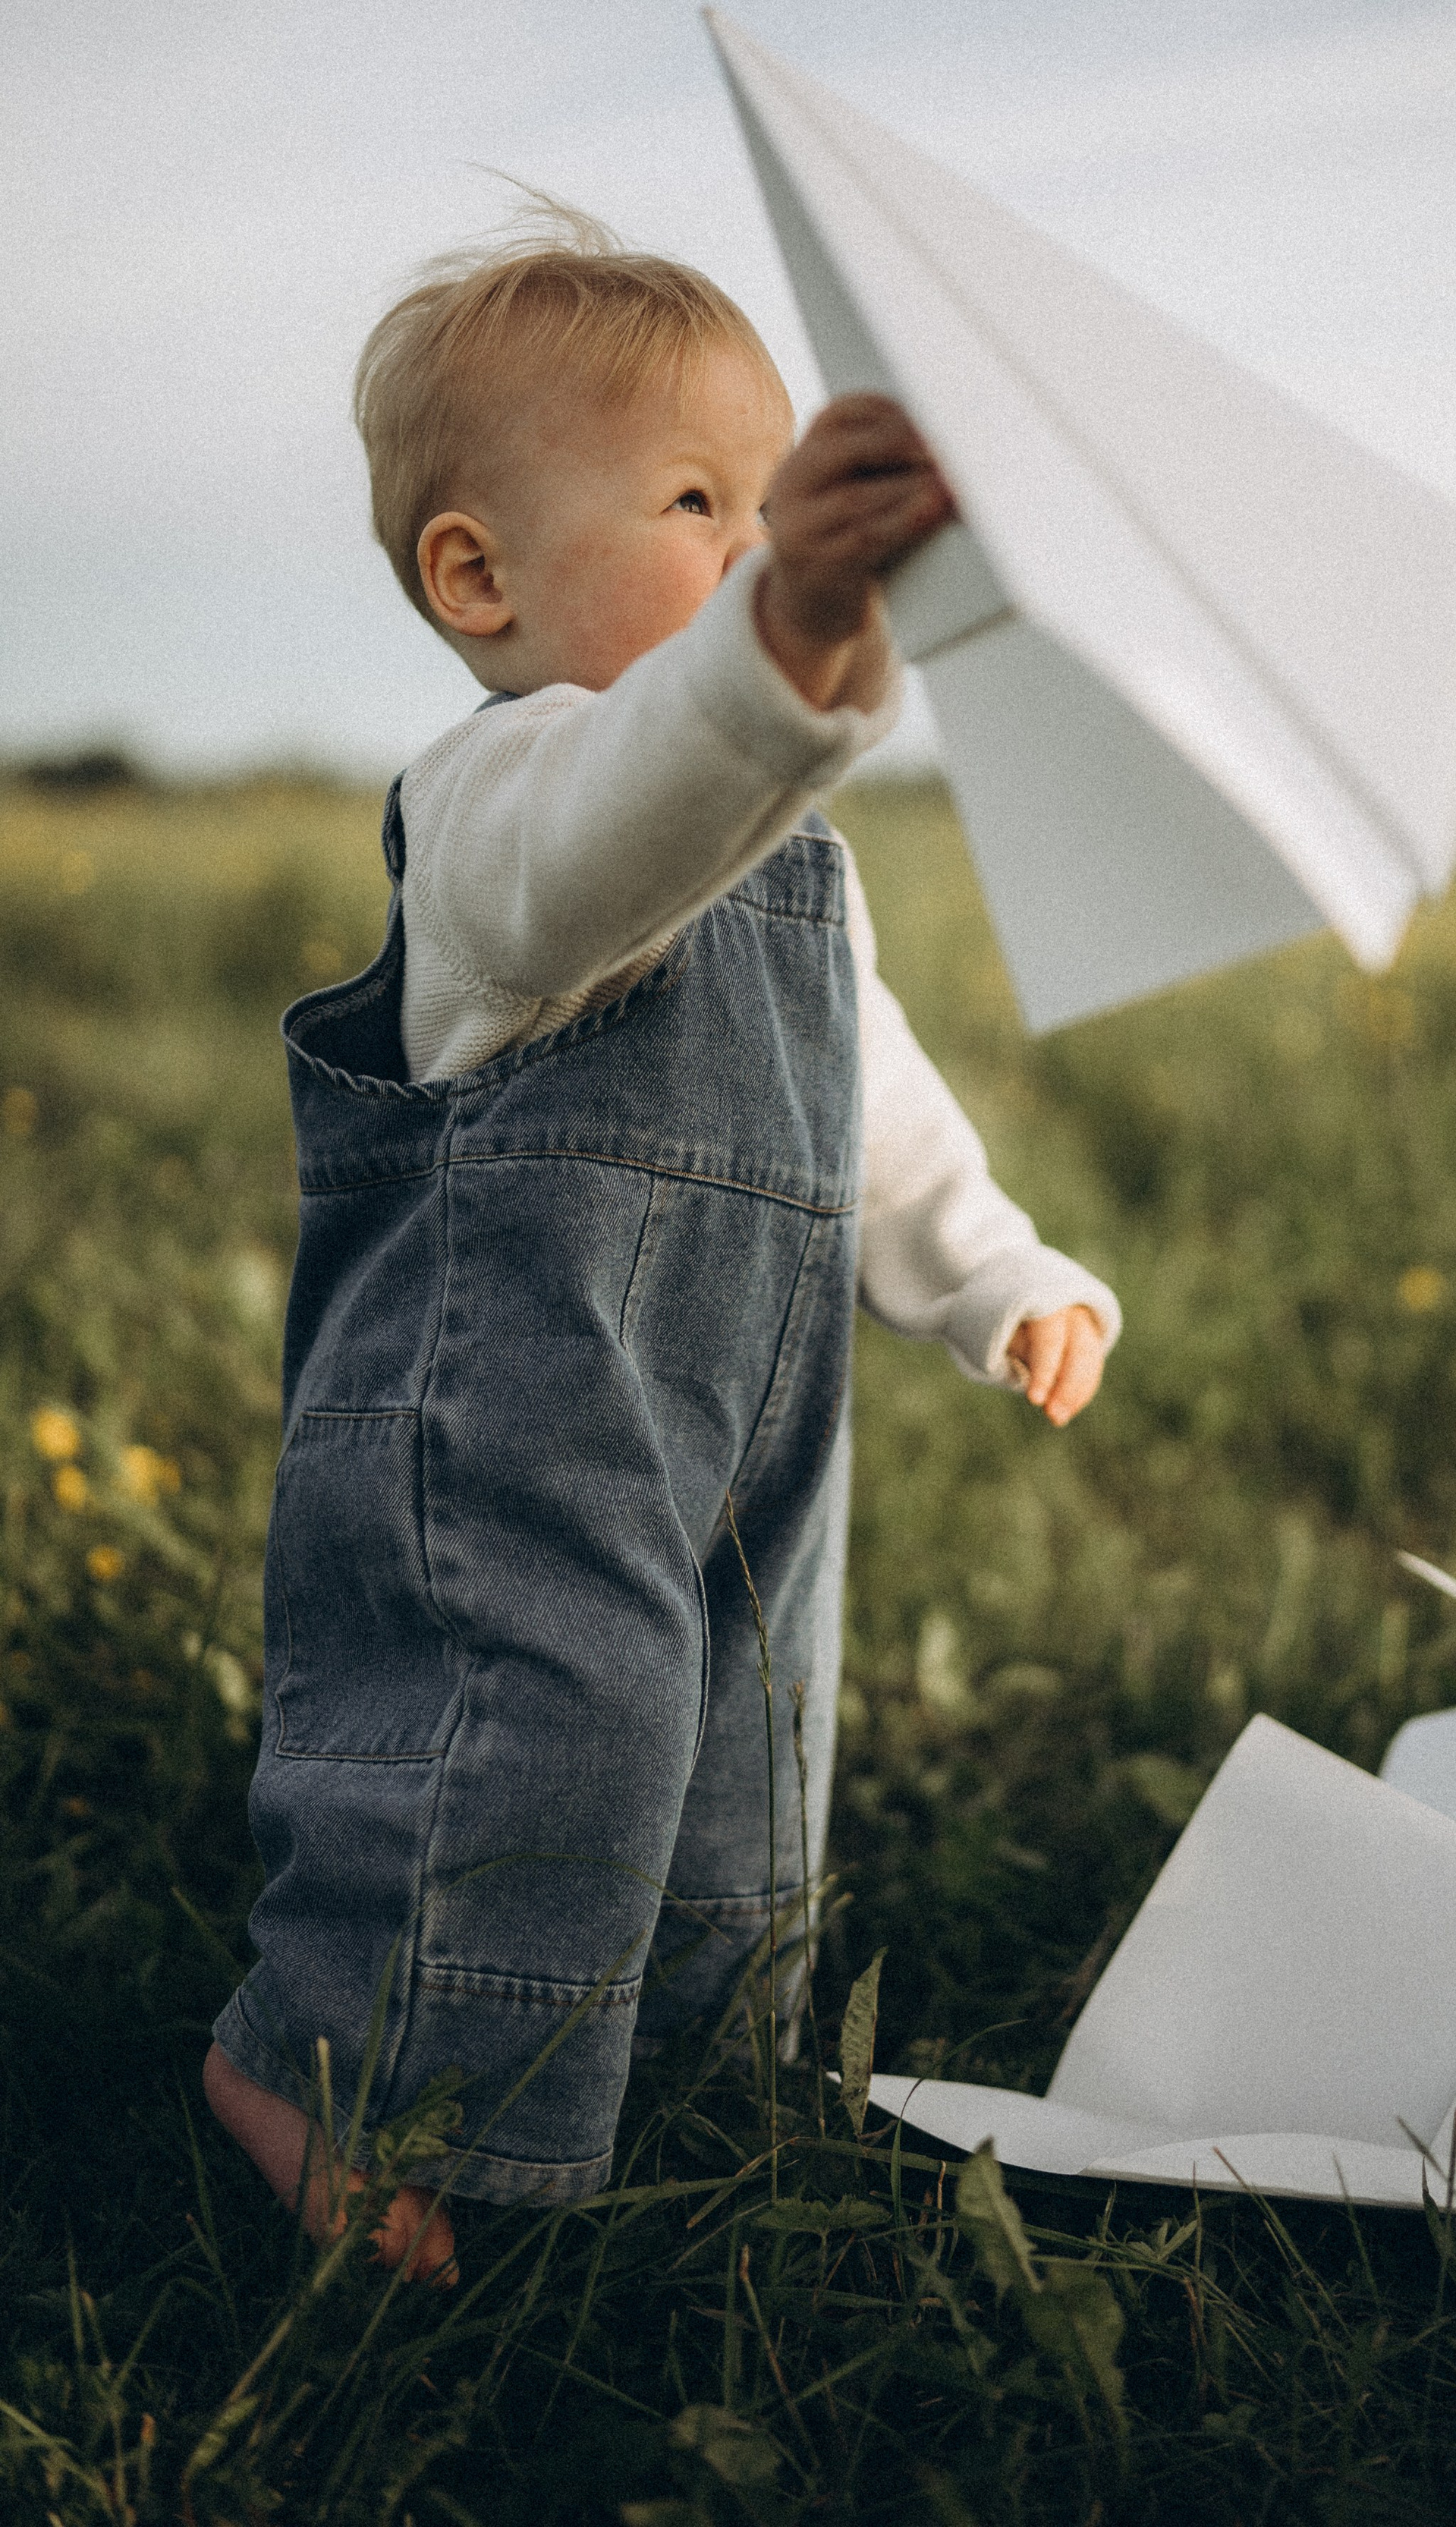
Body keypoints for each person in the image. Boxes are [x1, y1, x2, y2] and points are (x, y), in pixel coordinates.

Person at [202, 203, 1120, 2280]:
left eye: (773, 500)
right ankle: (326, 2067)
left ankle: (679, 2083)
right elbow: (619, 832)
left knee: (741, 1742)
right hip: (520, 1410)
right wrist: (784, 630)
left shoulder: (798, 862)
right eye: (699, 502)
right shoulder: (507, 803)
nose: (755, 536)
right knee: (530, 1733)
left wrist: (993, 1272)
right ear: (480, 577)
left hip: (740, 1408)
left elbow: (874, 1104)